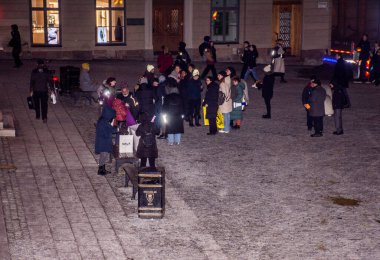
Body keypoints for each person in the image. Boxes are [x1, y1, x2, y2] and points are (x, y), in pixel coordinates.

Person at [30, 59, 53, 123]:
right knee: (44, 105)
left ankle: (37, 116)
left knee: (36, 104)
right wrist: (52, 90)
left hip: (36, 90)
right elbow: (50, 81)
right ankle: (44, 117)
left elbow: (32, 81)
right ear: (43, 64)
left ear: (37, 64)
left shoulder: (34, 71)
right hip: (44, 90)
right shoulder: (46, 71)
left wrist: (31, 90)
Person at [95, 106, 116, 175]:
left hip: (103, 142)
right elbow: (109, 130)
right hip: (103, 142)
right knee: (103, 156)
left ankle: (103, 169)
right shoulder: (103, 122)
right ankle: (100, 170)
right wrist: (117, 130)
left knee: (105, 156)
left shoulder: (103, 120)